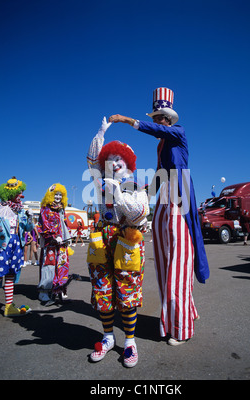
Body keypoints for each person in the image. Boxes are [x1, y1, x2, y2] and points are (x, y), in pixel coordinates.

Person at [109, 87, 210, 345]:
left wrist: (127, 121)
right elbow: (157, 178)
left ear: (168, 118)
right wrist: (136, 192)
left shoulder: (178, 132)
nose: (157, 120)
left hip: (180, 199)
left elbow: (159, 133)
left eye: (159, 116)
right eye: (155, 116)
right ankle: (184, 314)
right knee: (166, 266)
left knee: (178, 265)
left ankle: (182, 328)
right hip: (164, 203)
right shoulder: (162, 145)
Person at [86, 117, 149, 367]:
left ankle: (131, 342)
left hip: (127, 241)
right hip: (102, 240)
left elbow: (139, 213)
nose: (114, 164)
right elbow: (91, 161)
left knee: (128, 293)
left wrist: (118, 194)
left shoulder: (136, 186)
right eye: (110, 161)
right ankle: (108, 336)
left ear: (128, 164)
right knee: (102, 290)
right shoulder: (100, 181)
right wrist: (100, 133)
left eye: (118, 161)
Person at [0, 177, 34, 328]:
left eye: (22, 193)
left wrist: (30, 218)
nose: (21, 195)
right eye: (19, 193)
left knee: (10, 276)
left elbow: (27, 228)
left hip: (16, 246)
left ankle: (8, 306)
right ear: (9, 193)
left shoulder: (20, 211)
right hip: (2, 246)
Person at [37, 183, 72, 305]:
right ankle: (44, 292)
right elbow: (43, 225)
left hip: (61, 243)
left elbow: (65, 224)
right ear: (50, 195)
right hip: (50, 243)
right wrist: (52, 236)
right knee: (49, 266)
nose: (58, 197)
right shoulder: (45, 209)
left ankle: (59, 289)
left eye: (60, 195)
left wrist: (67, 238)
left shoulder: (62, 209)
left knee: (62, 265)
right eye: (55, 194)